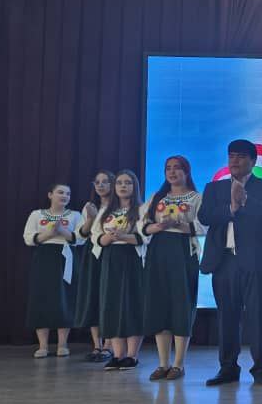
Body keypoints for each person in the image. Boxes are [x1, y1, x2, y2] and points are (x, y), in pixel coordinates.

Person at [198, 140, 262, 387]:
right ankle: (228, 368)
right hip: (224, 261)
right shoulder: (214, 188)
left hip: (257, 262)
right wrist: (231, 208)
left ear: (253, 161)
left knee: (258, 317)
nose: (234, 161)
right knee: (227, 317)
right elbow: (205, 216)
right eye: (231, 156)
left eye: (241, 157)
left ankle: (261, 369)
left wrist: (245, 201)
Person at [141, 156, 205, 381]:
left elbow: (203, 226)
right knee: (160, 305)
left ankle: (178, 364)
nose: (172, 172)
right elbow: (142, 226)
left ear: (186, 171)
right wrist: (158, 226)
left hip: (183, 253)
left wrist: (177, 224)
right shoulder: (157, 197)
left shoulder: (196, 197)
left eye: (177, 168)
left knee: (181, 305)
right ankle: (162, 363)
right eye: (168, 168)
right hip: (158, 252)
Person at [23, 183, 83, 358]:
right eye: (60, 192)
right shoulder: (37, 214)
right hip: (44, 258)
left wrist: (62, 231)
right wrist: (50, 233)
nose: (64, 196)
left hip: (66, 257)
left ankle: (62, 344)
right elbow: (28, 238)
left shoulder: (75, 215)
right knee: (41, 298)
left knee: (65, 298)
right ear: (50, 195)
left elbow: (81, 238)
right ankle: (43, 345)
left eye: (68, 193)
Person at [94, 170, 146, 371]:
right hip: (111, 259)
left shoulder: (142, 210)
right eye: (119, 183)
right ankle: (117, 355)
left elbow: (145, 237)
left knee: (132, 304)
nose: (123, 186)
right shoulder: (106, 211)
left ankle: (132, 355)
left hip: (132, 259)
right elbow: (95, 236)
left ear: (135, 187)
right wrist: (107, 238)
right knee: (112, 304)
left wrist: (123, 236)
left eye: (128, 183)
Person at [74, 171, 115, 362]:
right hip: (92, 253)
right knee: (94, 295)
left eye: (105, 182)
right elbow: (81, 234)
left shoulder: (119, 206)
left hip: (112, 251)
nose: (100, 185)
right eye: (97, 182)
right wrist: (90, 219)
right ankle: (97, 345)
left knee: (109, 296)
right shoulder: (90, 206)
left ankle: (109, 345)